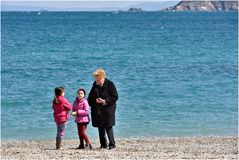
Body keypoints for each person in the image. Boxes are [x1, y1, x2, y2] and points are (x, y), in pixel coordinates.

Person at [88, 68, 118, 149]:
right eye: (96, 80)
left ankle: (112, 144)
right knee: (100, 127)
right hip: (97, 109)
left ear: (103, 77)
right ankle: (103, 144)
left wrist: (104, 101)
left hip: (108, 109)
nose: (97, 81)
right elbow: (90, 96)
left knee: (108, 126)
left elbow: (115, 97)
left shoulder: (110, 84)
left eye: (98, 80)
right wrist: (92, 101)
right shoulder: (95, 84)